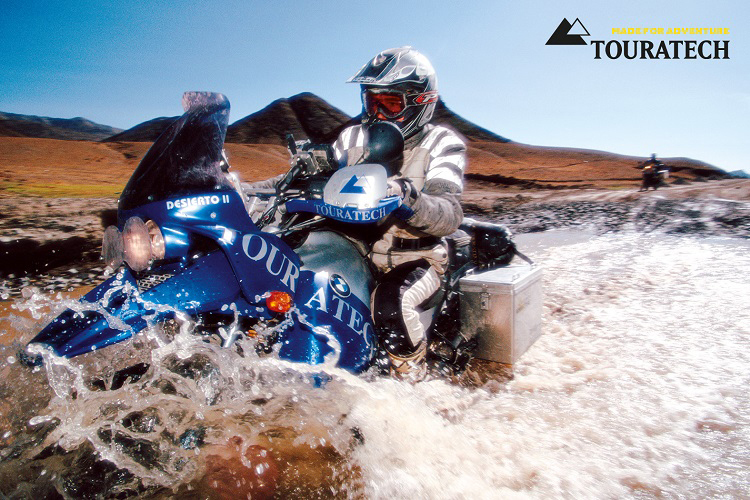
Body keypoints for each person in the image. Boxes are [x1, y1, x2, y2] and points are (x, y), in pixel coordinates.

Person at [333, 47, 467, 378]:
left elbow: (448, 211)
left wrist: (406, 196)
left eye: (390, 103)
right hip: (361, 256)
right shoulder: (352, 138)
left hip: (419, 259)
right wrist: (240, 186)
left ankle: (409, 387)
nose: (377, 114)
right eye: (371, 102)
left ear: (420, 101)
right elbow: (313, 171)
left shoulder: (440, 143)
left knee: (393, 303)